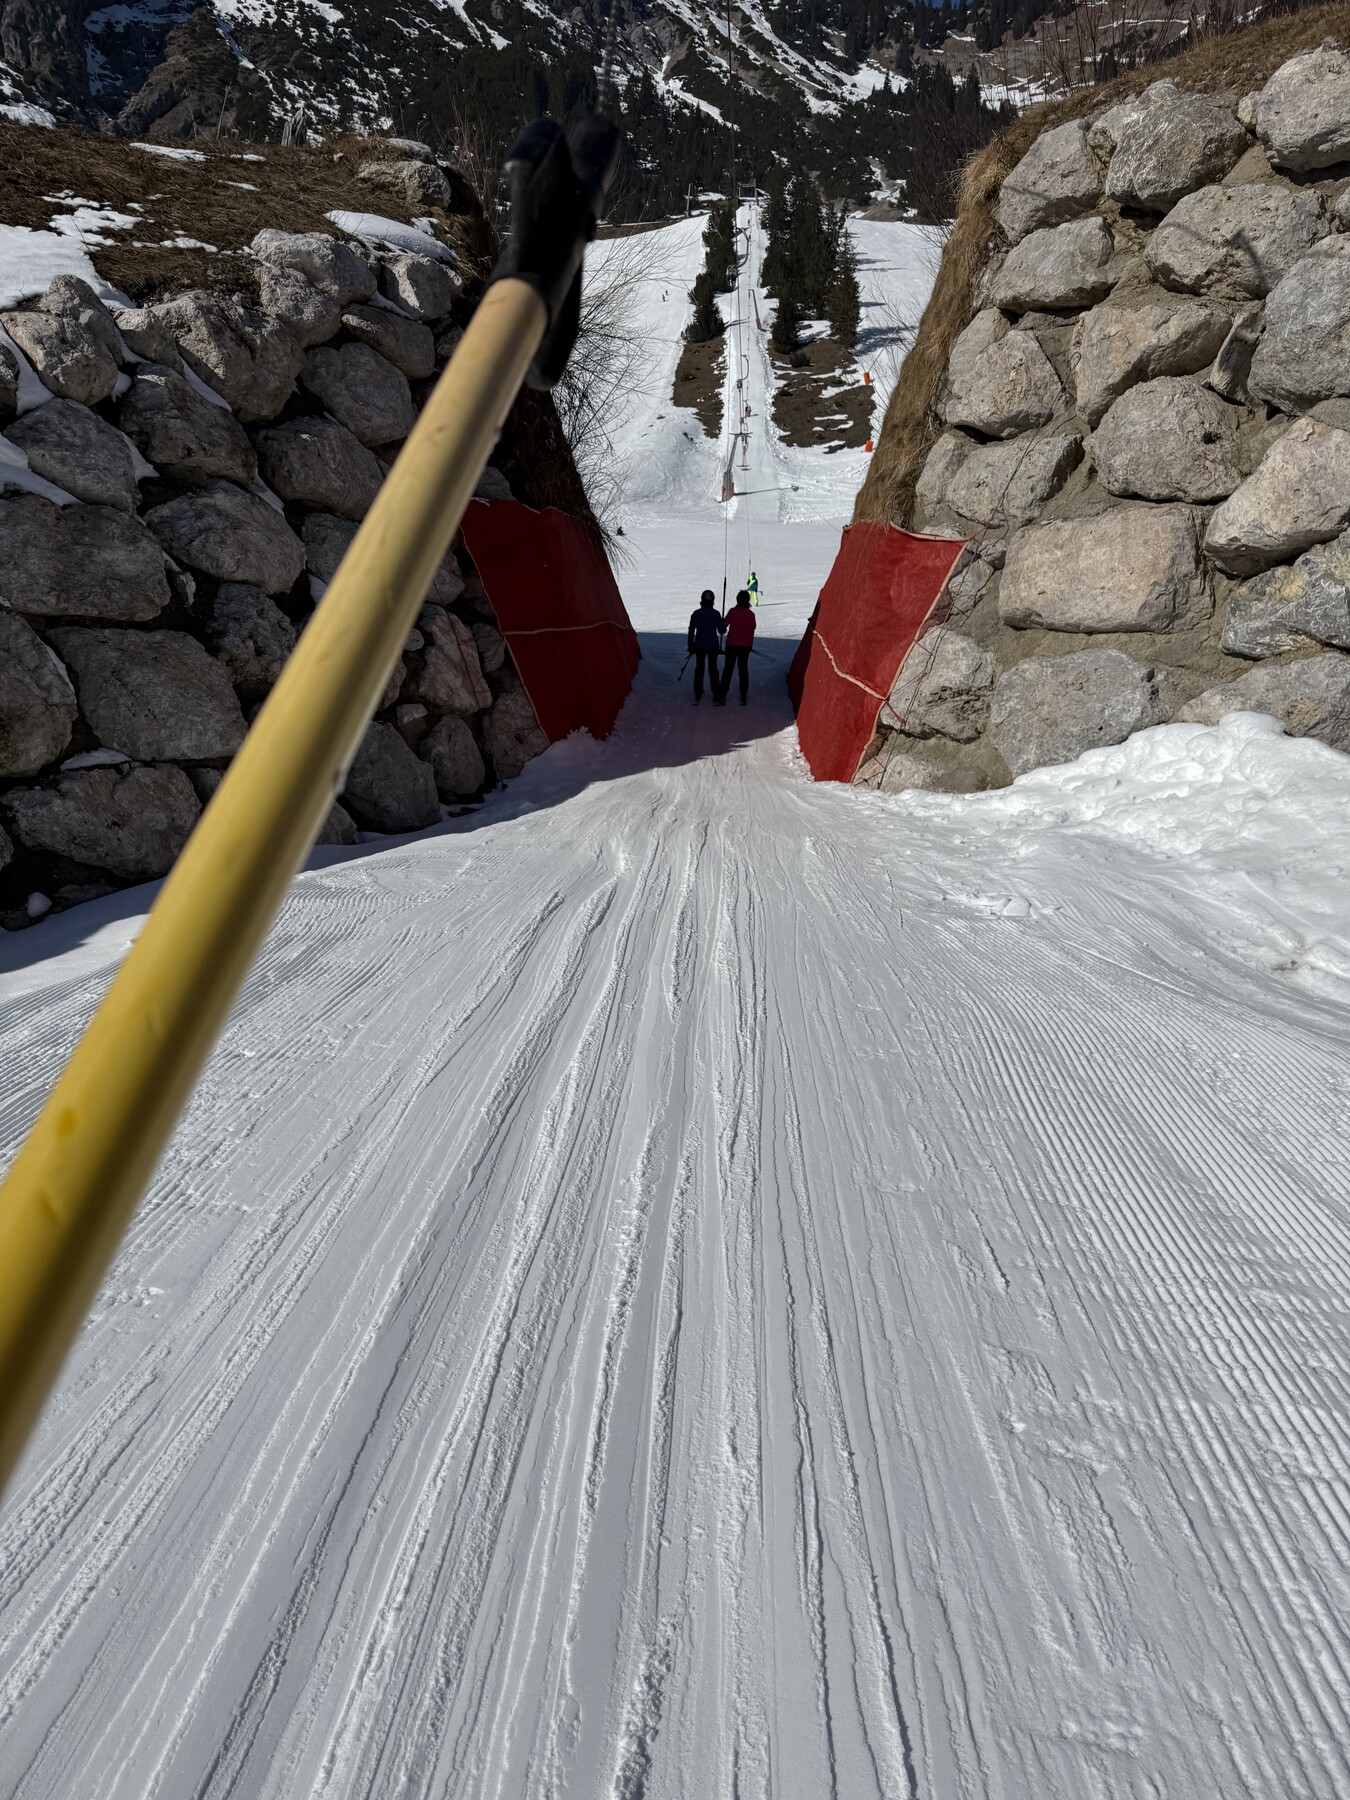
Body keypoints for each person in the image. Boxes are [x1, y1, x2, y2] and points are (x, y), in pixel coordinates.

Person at [718, 589, 756, 705]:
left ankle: (722, 694)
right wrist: (750, 645)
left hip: (732, 645)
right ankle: (743, 695)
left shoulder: (732, 612)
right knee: (743, 670)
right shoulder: (751, 615)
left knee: (728, 669)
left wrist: (722, 622)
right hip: (745, 646)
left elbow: (723, 628)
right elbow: (752, 629)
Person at [687, 589, 723, 704]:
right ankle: (716, 694)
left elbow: (691, 630)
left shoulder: (696, 613)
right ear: (712, 600)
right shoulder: (716, 614)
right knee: (713, 670)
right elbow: (721, 631)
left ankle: (697, 693)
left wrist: (690, 643)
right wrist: (722, 623)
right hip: (713, 646)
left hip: (699, 645)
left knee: (699, 669)